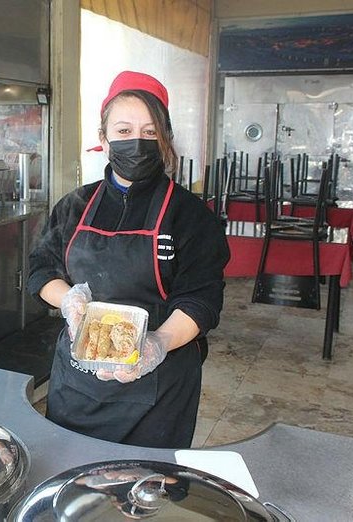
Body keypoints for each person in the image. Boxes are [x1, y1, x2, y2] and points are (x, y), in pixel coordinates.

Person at [28, 70, 230, 448]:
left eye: (150, 132)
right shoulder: (75, 206)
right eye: (123, 130)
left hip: (159, 390)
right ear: (104, 139)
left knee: (145, 482)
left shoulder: (190, 215)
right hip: (77, 381)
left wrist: (157, 343)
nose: (137, 142)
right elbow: (41, 269)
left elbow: (201, 299)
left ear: (165, 140)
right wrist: (68, 299)